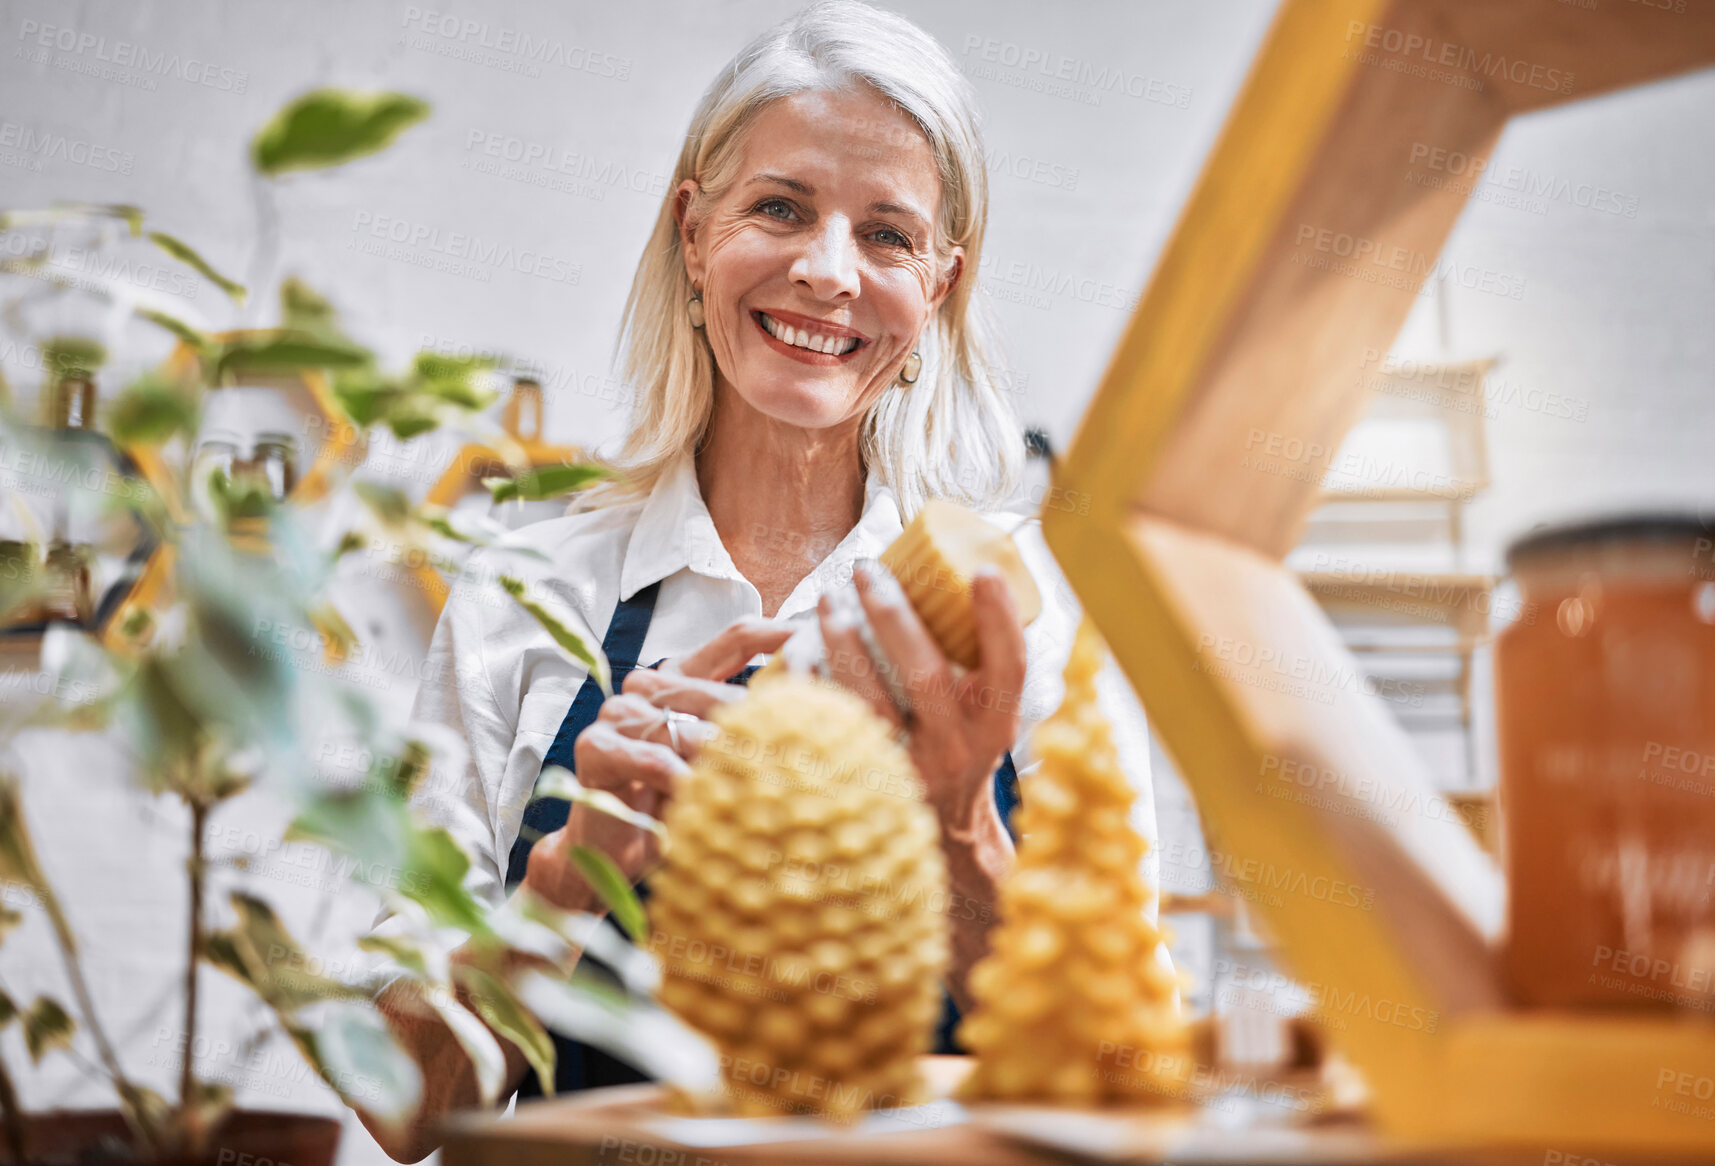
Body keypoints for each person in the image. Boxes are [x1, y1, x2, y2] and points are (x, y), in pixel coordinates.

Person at [359, 2, 1165, 1159]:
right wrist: (563, 878)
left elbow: (1126, 1071)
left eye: (887, 234)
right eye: (779, 207)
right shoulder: (524, 597)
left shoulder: (1023, 615)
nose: (827, 271)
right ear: (694, 233)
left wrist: (957, 833)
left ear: (936, 285)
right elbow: (395, 1104)